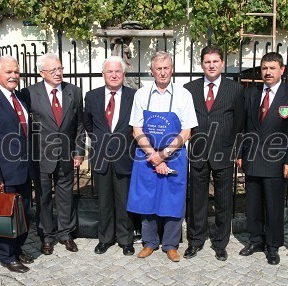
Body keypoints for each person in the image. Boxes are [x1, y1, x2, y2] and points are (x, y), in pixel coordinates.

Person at [127, 51, 198, 262]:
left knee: (173, 199)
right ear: (152, 71)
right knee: (147, 198)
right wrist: (153, 155)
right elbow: (136, 129)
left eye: (166, 67)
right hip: (147, 155)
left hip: (174, 155)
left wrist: (164, 154)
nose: (163, 72)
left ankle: (170, 245)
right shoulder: (141, 94)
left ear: (172, 69)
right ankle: (149, 242)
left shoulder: (184, 95)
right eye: (158, 68)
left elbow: (187, 132)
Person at [237, 52, 288, 265]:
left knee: (274, 206)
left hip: (278, 162)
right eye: (264, 68)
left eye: (272, 68)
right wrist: (239, 153)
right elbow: (243, 125)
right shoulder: (251, 94)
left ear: (282, 70)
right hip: (252, 158)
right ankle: (256, 240)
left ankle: (273, 245)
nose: (267, 72)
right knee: (253, 204)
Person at [183, 45, 245, 261]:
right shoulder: (189, 89)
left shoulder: (234, 89)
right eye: (207, 62)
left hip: (224, 152)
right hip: (198, 152)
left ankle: (220, 243)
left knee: (223, 200)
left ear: (222, 63)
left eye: (215, 61)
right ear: (201, 64)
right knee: (196, 200)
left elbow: (239, 123)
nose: (211, 65)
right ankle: (196, 240)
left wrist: (237, 152)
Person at [0, 56, 36, 273]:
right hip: (4, 171)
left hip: (25, 169)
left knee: (24, 213)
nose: (13, 76)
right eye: (9, 72)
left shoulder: (20, 97)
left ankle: (18, 249)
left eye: (16, 72)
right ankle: (6, 256)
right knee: (5, 215)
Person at [21, 53, 84, 255]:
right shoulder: (28, 93)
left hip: (66, 154)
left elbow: (79, 125)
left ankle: (66, 233)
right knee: (43, 197)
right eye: (53, 70)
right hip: (40, 157)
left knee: (66, 196)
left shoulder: (73, 91)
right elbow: (25, 127)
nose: (58, 73)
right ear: (42, 73)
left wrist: (79, 151)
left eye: (60, 69)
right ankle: (47, 236)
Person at [83, 56, 136, 256]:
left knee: (124, 201)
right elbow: (88, 123)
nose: (114, 75)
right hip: (101, 156)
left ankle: (125, 240)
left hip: (125, 156)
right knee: (104, 201)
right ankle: (105, 238)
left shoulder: (133, 96)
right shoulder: (92, 96)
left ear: (124, 74)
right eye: (110, 72)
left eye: (118, 71)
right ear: (103, 74)